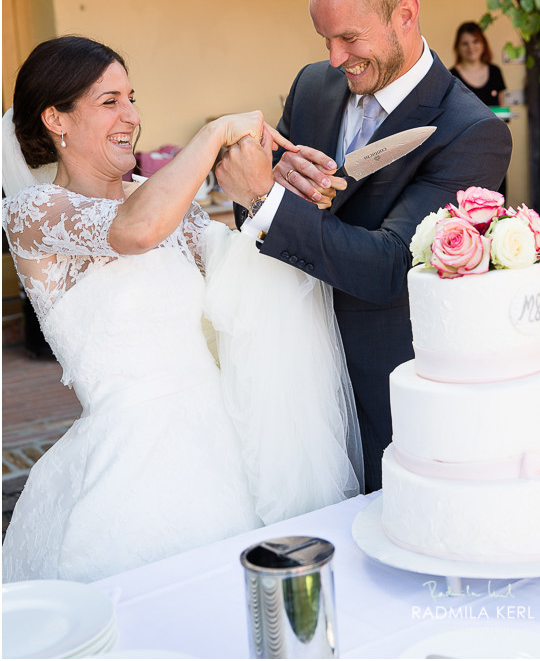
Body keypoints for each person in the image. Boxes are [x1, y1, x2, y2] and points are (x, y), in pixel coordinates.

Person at [1, 36, 361, 583]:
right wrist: (214, 133)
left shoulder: (164, 196)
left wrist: (272, 196)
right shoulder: (36, 212)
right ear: (57, 119)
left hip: (228, 446)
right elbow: (136, 230)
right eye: (109, 101)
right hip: (131, 466)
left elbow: (244, 272)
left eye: (131, 97)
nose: (132, 115)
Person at [216, 0, 512, 492]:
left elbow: (390, 268)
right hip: (292, 366)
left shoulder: (471, 133)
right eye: (323, 37)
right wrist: (259, 183)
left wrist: (265, 198)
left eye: (349, 37)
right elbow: (254, 205)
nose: (334, 58)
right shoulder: (313, 86)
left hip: (380, 383)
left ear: (406, 12)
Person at [451, 21, 507, 107]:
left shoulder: (495, 72)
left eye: (475, 41)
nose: (471, 47)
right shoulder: (451, 77)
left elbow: (501, 109)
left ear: (483, 44)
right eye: (465, 43)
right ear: (457, 47)